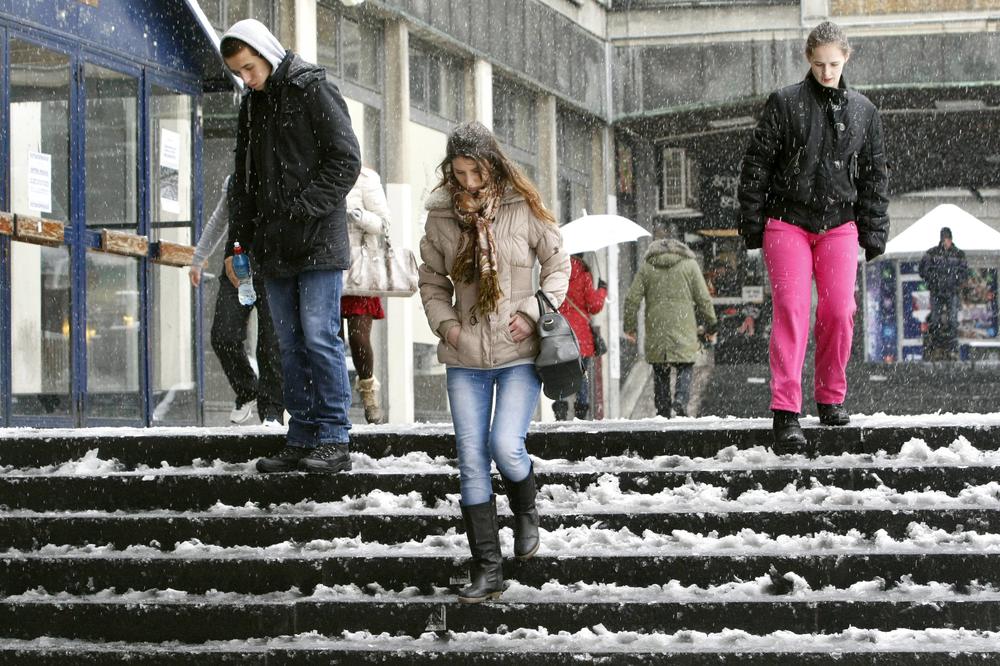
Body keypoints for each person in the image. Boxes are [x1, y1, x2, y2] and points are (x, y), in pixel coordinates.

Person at [417, 121, 570, 604]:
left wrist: (532, 312)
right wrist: (449, 328)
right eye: (459, 173)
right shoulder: (441, 216)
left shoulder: (521, 206)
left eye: (475, 172)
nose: (468, 182)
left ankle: (526, 509)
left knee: (505, 445)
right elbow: (431, 282)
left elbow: (559, 263)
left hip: (518, 352)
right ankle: (488, 568)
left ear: (492, 165)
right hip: (465, 356)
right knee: (471, 458)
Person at [737, 20, 889, 449]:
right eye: (819, 64)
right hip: (787, 221)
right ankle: (786, 411)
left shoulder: (864, 111)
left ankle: (830, 397)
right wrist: (753, 224)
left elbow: (876, 176)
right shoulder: (784, 103)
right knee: (791, 309)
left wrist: (874, 230)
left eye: (834, 64)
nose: (826, 72)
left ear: (847, 58)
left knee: (840, 311)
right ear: (808, 59)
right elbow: (757, 166)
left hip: (839, 223)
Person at [220, 19, 361, 473]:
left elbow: (346, 160)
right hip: (271, 246)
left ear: (266, 52)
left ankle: (334, 435)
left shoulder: (311, 88)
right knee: (286, 341)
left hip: (316, 242)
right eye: (239, 73)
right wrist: (238, 243)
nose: (247, 78)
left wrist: (302, 209)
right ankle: (301, 435)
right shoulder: (251, 106)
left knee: (319, 336)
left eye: (249, 68)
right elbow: (243, 183)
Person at [190, 175, 284, 426]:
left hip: (272, 265)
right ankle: (248, 389)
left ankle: (272, 413)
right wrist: (199, 258)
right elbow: (219, 219)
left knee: (270, 345)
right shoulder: (234, 180)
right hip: (237, 267)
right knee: (223, 336)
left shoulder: (280, 171)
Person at [623, 237, 717, 418]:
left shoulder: (647, 267)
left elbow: (631, 299)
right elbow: (703, 299)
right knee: (685, 364)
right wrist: (711, 324)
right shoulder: (690, 265)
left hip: (656, 328)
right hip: (683, 327)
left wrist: (630, 327)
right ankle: (681, 400)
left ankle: (662, 409)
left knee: (660, 368)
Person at [342, 166, 392, 424]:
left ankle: (368, 393)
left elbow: (384, 223)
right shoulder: (312, 170)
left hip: (359, 268)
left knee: (359, 338)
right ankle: (335, 400)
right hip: (323, 265)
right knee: (328, 341)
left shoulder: (365, 178)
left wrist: (358, 216)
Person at [553, 254, 607, 420]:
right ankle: (581, 414)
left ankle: (560, 412)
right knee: (581, 376)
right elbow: (594, 306)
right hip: (581, 338)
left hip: (561, 333)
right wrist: (602, 290)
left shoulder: (556, 274)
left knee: (561, 374)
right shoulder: (584, 274)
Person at [919, 226, 968, 360]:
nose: (945, 242)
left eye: (947, 239)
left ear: (951, 240)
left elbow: (964, 273)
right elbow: (923, 270)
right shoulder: (933, 253)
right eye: (944, 239)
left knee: (952, 320)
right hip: (938, 291)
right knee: (936, 320)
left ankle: (951, 347)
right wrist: (933, 280)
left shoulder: (958, 254)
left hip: (951, 292)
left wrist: (955, 282)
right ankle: (937, 345)